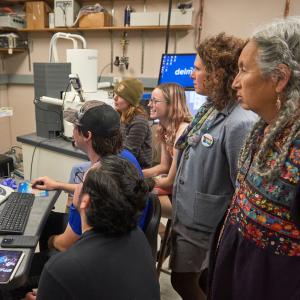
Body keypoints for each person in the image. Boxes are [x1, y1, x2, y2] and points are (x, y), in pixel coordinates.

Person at [209, 18, 300, 300]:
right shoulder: (265, 129)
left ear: (279, 78)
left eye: (243, 70)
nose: (235, 82)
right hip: (237, 272)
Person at [170, 33, 258, 300]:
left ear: (218, 73)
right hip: (188, 214)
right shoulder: (210, 108)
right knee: (189, 281)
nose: (192, 75)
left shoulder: (239, 122)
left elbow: (241, 187)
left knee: (185, 282)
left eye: (198, 69)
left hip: (205, 224)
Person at [25, 156, 160, 300]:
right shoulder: (137, 236)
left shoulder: (60, 270)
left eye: (81, 180)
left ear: (85, 200)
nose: (76, 185)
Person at [32, 100, 148, 252]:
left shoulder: (94, 174)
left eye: (75, 127)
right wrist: (58, 185)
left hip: (101, 253)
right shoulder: (123, 160)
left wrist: (50, 241)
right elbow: (94, 188)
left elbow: (65, 245)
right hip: (124, 244)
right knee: (48, 220)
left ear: (87, 135)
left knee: (40, 230)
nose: (72, 131)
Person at [143, 83, 192, 219]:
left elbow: (170, 180)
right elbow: (164, 167)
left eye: (155, 101)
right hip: (174, 188)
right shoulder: (165, 128)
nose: (149, 105)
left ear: (172, 105)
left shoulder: (183, 131)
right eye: (150, 100)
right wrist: (137, 173)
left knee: (135, 197)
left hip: (184, 197)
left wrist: (139, 181)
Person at [114, 78, 152, 168]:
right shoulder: (119, 116)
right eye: (115, 94)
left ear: (130, 100)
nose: (115, 98)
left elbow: (128, 154)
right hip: (120, 164)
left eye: (120, 96)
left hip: (135, 170)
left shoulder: (139, 121)